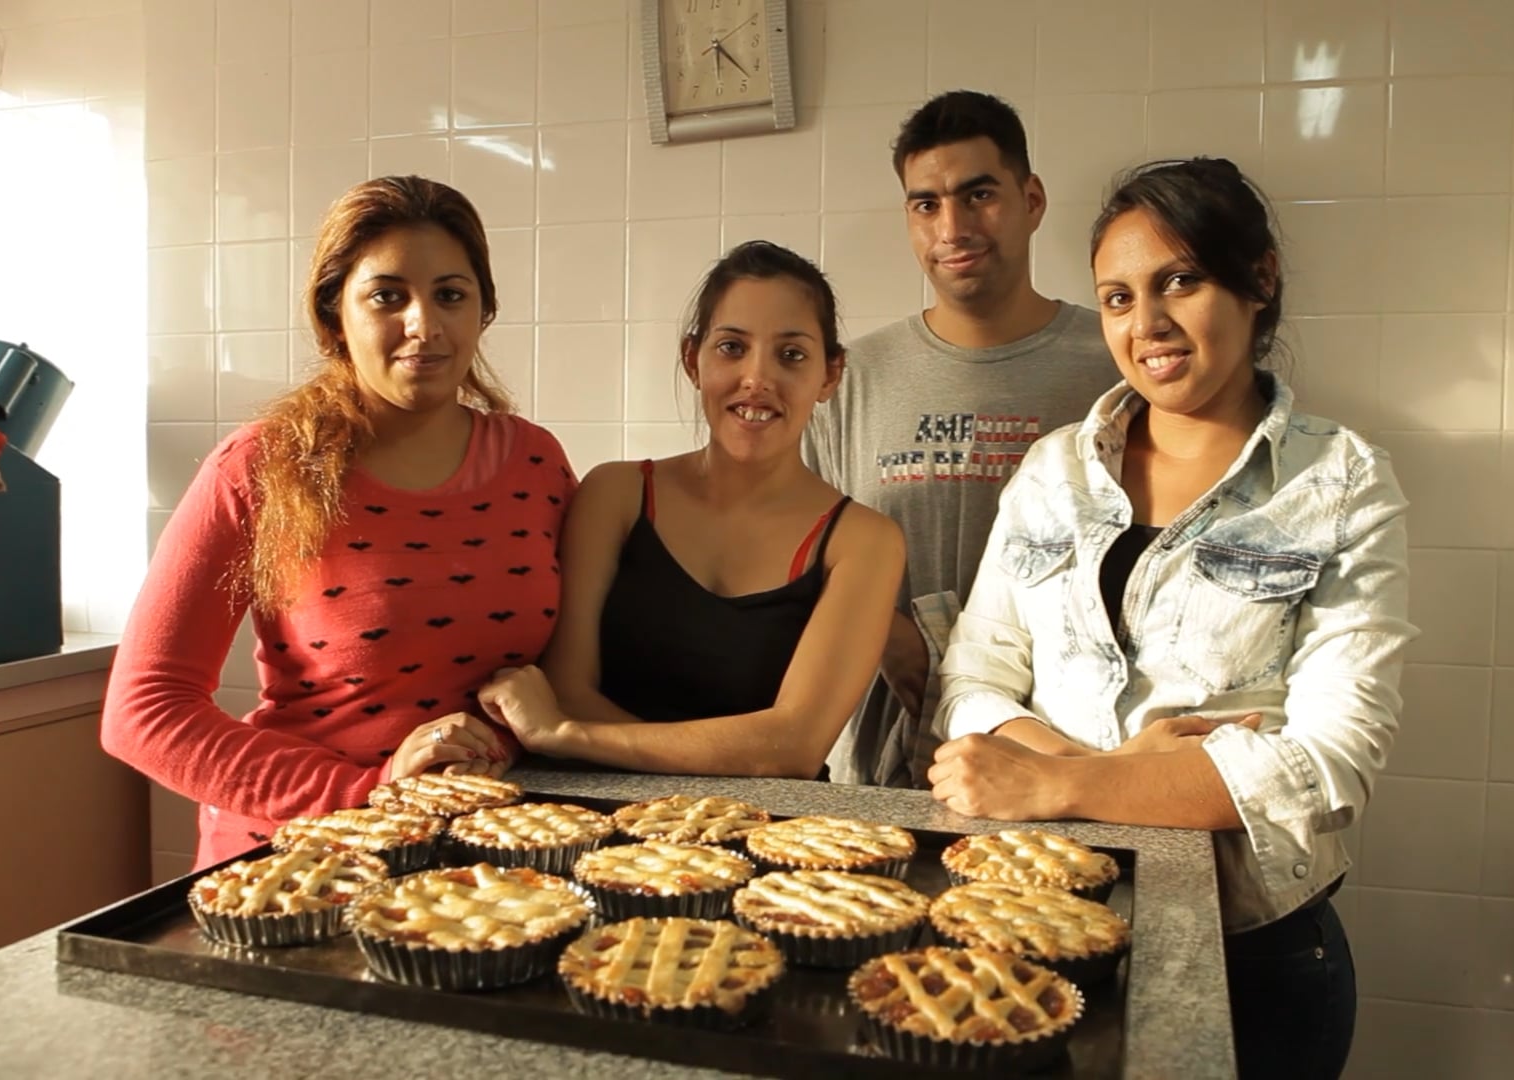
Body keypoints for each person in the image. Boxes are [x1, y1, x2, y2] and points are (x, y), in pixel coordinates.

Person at [926, 157, 1415, 1079]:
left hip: (1253, 961)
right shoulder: (1054, 471)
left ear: (1258, 279)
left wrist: (1051, 784)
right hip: (1032, 926)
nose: (1145, 324)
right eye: (1116, 297)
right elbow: (971, 683)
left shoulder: (1342, 484)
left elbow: (1326, 766)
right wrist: (1115, 771)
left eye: (1178, 282)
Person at [101, 176, 572, 868]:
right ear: (334, 315)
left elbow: (574, 665)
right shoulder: (261, 468)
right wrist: (370, 793)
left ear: (483, 311)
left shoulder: (535, 461)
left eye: (450, 294)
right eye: (387, 296)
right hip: (300, 863)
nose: (424, 325)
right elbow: (144, 712)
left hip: (484, 862)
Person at [474, 242, 905, 780]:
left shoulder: (863, 542)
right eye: (731, 347)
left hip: (772, 840)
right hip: (591, 824)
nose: (757, 378)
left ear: (830, 375)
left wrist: (570, 736)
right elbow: (566, 689)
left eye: (790, 354)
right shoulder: (616, 495)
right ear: (691, 360)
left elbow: (791, 746)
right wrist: (572, 726)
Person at [805, 90, 1115, 789]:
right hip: (890, 749)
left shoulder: (1114, 360)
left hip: (1069, 753)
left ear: (1031, 199)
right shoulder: (849, 378)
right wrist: (885, 635)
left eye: (979, 194)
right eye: (926, 204)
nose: (953, 226)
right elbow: (791, 543)